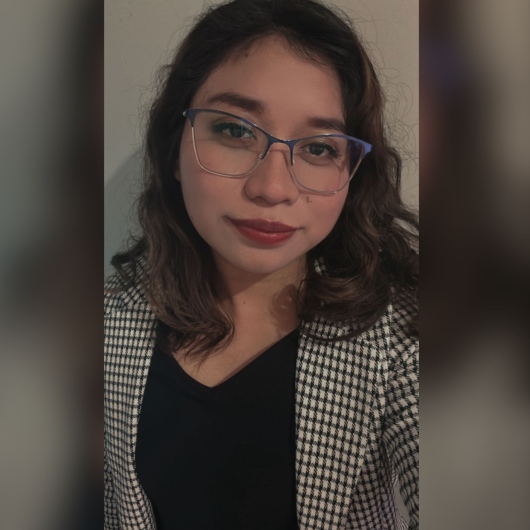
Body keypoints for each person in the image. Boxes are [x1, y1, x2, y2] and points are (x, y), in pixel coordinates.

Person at [104, 0, 419, 529]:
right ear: (175, 148)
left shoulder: (402, 339)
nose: (273, 188)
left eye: (319, 148)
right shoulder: (111, 317)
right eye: (235, 131)